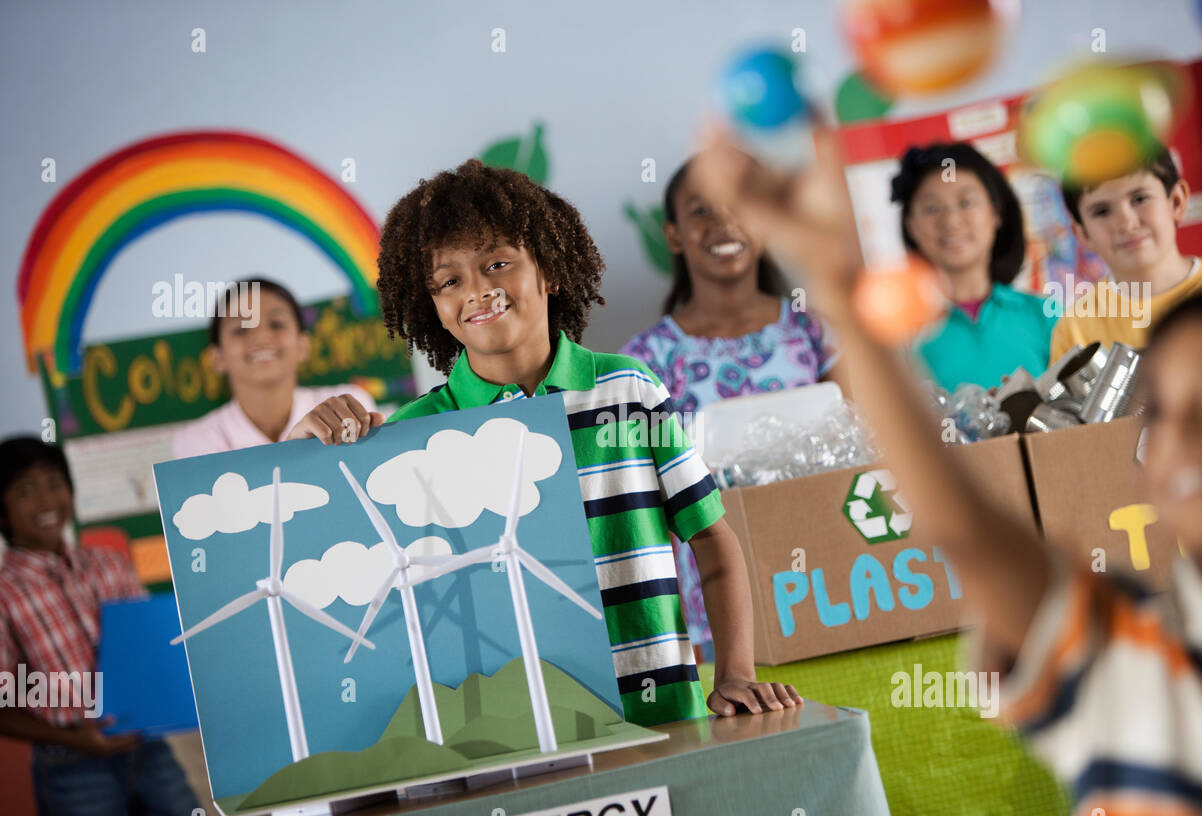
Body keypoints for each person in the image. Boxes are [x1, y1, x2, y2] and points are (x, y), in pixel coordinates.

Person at [694, 126, 1202, 816]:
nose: (1184, 435)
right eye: (1160, 411)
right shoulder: (1131, 638)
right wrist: (837, 284)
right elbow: (968, 529)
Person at [287, 159, 799, 724]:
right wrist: (300, 450)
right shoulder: (412, 434)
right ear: (432, 305)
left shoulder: (628, 389)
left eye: (498, 263)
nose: (478, 291)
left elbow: (711, 537)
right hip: (505, 737)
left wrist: (734, 671)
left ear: (549, 270)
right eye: (449, 280)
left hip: (661, 717)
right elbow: (346, 580)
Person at [620, 156, 846, 659]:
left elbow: (863, 442)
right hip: (710, 602)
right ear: (674, 235)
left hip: (831, 576)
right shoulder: (645, 360)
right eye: (701, 210)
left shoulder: (815, 328)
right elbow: (637, 495)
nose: (724, 223)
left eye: (739, 206)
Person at [0, 437, 198, 816]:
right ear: (2, 510)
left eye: (54, 483)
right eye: (24, 490)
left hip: (148, 747)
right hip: (71, 767)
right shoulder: (4, 594)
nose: (46, 499)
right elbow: (2, 704)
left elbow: (153, 652)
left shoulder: (109, 565)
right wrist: (75, 738)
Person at [1049, 145, 1202, 363]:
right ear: (1082, 233)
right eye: (1101, 211)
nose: (1127, 223)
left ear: (1176, 201)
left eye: (1139, 199)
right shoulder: (1074, 330)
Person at [890, 142, 1052, 391]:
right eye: (932, 208)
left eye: (966, 202)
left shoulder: (1045, 316)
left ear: (996, 213)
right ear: (911, 226)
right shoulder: (898, 339)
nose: (951, 221)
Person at [171, 277, 378, 458]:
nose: (261, 337)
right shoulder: (194, 442)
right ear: (216, 357)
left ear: (303, 345)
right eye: (241, 329)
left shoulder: (349, 405)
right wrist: (293, 448)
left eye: (277, 324)